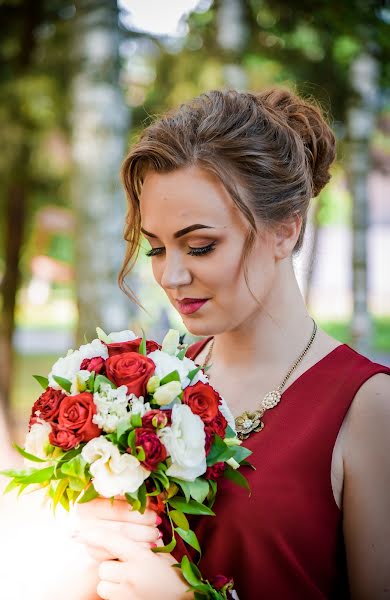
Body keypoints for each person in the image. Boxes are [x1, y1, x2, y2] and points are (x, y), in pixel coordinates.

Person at [73, 88, 390, 599]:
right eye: (156, 247)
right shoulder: (153, 385)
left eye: (200, 246)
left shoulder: (369, 407)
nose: (171, 276)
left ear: (285, 230)